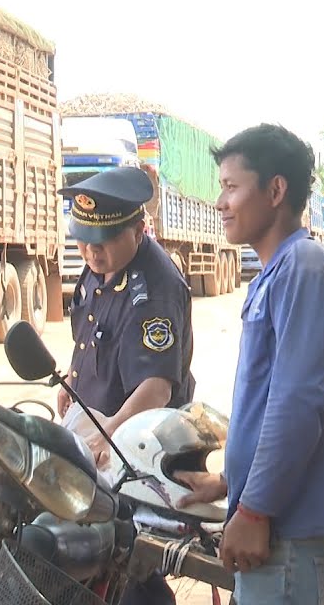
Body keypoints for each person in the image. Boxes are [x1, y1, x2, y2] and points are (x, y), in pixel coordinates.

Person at [178, 123, 324, 604]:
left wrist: (255, 511)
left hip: (290, 536)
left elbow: (297, 403)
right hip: (280, 532)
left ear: (276, 190)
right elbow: (267, 405)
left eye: (231, 187)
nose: (220, 203)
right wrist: (227, 484)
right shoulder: (278, 273)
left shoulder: (304, 267)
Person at [58, 166, 196, 605]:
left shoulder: (155, 288)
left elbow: (156, 387)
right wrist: (72, 377)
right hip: (102, 431)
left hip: (141, 448)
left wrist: (109, 433)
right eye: (82, 240)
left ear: (138, 230)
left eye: (102, 243)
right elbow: (95, 330)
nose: (90, 253)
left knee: (128, 563)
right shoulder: (99, 265)